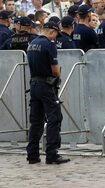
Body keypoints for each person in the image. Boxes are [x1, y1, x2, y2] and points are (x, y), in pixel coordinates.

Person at [26, 21, 70, 165]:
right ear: (52, 31)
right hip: (47, 85)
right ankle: (52, 154)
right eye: (56, 35)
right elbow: (55, 70)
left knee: (36, 121)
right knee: (54, 118)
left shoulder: (32, 43)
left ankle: (32, 154)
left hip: (34, 85)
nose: (56, 38)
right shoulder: (49, 44)